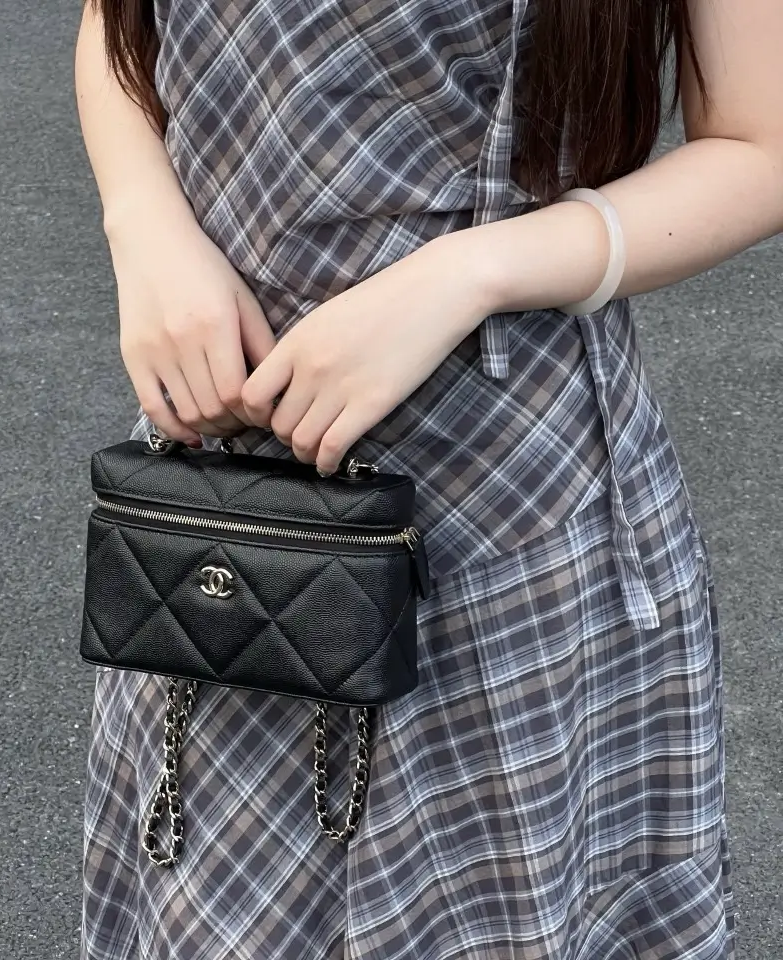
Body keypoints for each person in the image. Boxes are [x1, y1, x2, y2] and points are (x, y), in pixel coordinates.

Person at [74, 0, 782, 953]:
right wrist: (144, 226)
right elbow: (117, 25)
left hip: (507, 513)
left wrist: (468, 274)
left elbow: (759, 145)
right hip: (219, 499)